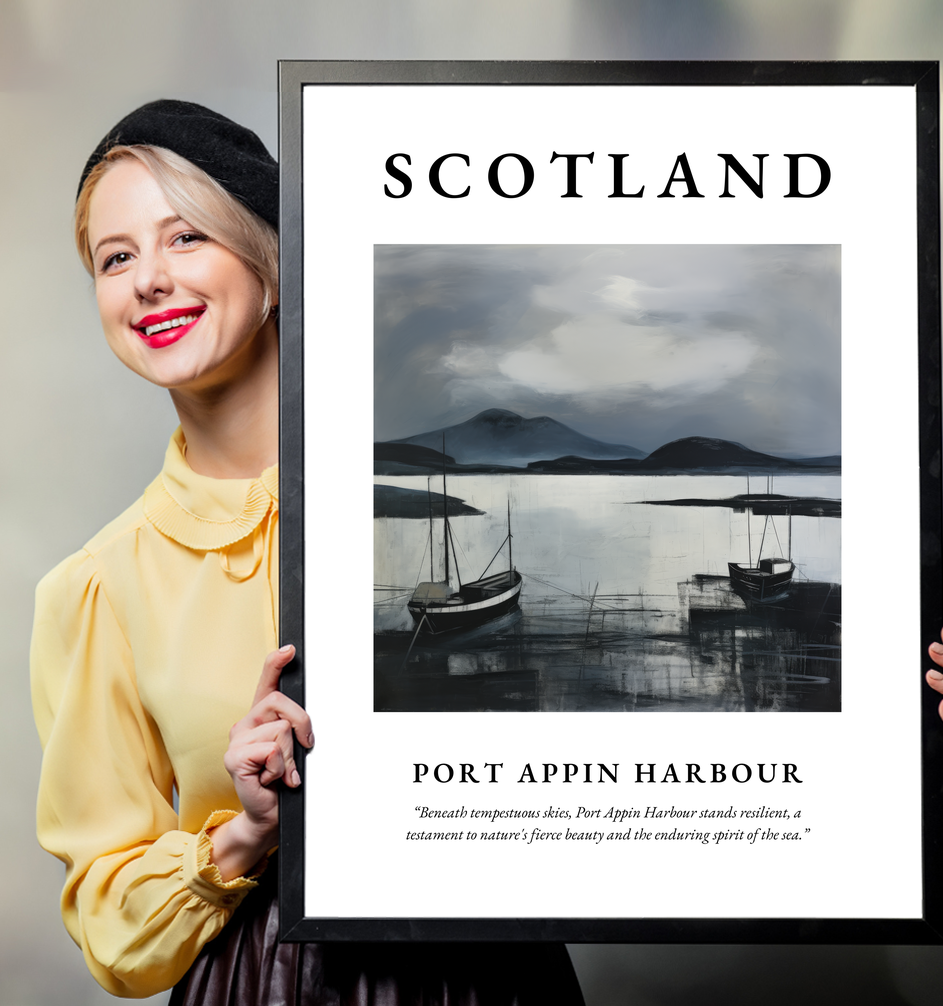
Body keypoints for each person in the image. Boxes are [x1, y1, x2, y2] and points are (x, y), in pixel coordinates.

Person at [30, 100, 585, 1004]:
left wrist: (890, 712)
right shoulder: (98, 587)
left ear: (274, 265)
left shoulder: (400, 504)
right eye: (116, 257)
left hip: (493, 973)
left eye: (186, 238)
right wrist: (244, 833)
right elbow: (110, 924)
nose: (148, 281)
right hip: (265, 981)